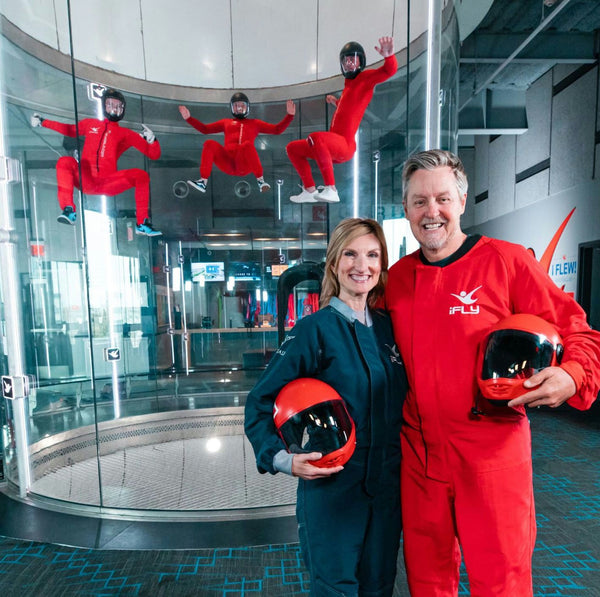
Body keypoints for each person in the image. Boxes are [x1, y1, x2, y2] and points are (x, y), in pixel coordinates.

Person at [385, 149, 600, 596]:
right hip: (420, 459)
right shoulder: (397, 280)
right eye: (419, 201)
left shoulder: (506, 261)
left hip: (492, 457)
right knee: (426, 581)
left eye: (442, 198)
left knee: (501, 580)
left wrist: (573, 375)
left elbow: (579, 331)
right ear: (405, 209)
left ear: (462, 202)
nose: (432, 212)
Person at [245, 218, 406, 596]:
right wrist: (283, 459)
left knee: (380, 586)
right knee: (335, 588)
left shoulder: (388, 329)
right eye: (350, 254)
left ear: (381, 264)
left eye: (371, 255)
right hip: (333, 487)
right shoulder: (312, 330)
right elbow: (258, 404)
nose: (360, 266)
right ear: (334, 263)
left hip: (387, 486)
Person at [30, 88, 162, 236]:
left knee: (141, 175)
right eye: (111, 104)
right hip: (86, 178)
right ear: (104, 106)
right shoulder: (90, 124)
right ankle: (69, 210)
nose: (114, 109)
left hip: (108, 182)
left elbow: (153, 154)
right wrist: (43, 122)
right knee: (65, 161)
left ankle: (142, 223)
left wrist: (153, 140)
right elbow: (69, 130)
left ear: (122, 109)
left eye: (118, 106)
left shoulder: (126, 134)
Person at [286, 36, 396, 204]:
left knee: (316, 138)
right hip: (333, 144)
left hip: (345, 145)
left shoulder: (365, 79)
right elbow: (349, 110)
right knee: (293, 148)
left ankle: (332, 189)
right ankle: (309, 190)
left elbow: (389, 71)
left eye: (353, 59)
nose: (349, 63)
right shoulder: (348, 85)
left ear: (361, 61)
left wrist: (389, 56)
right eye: (346, 60)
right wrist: (336, 103)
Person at [178, 95, 295, 193]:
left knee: (247, 144)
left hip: (244, 163)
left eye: (242, 105)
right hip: (227, 162)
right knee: (209, 143)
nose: (239, 108)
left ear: (247, 107)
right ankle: (203, 181)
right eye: (236, 105)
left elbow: (277, 130)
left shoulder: (255, 123)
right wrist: (189, 118)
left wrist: (289, 116)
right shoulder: (226, 122)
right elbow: (205, 129)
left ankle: (260, 181)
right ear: (232, 108)